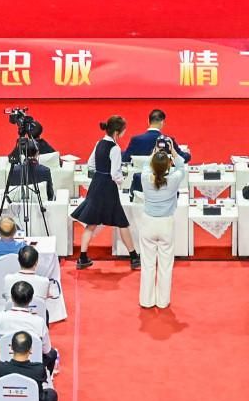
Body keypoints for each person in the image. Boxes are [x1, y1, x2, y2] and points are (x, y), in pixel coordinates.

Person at [72, 116, 133, 269]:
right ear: (117, 132)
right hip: (108, 187)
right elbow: (115, 174)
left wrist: (100, 173)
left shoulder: (99, 143)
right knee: (122, 221)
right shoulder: (115, 148)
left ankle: (82, 257)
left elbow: (91, 164)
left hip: (96, 184)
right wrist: (122, 180)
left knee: (91, 222)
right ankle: (134, 257)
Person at [132, 140, 184, 308]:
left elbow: (146, 165)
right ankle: (162, 301)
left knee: (147, 264)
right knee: (165, 265)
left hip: (148, 223)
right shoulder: (174, 179)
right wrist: (173, 151)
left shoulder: (145, 178)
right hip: (166, 224)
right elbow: (182, 167)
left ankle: (146, 300)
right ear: (169, 165)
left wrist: (154, 152)